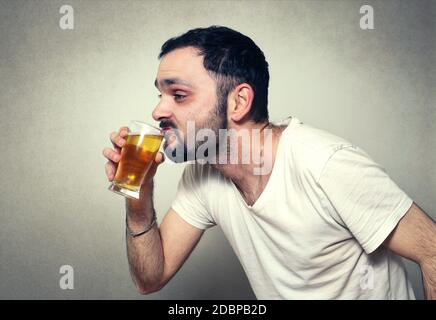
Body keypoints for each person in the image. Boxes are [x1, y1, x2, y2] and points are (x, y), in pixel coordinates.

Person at [102, 26, 436, 299]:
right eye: (159, 95)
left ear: (239, 101)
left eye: (178, 95)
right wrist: (138, 195)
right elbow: (150, 279)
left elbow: (432, 251)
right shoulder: (203, 175)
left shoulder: (325, 164)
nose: (157, 111)